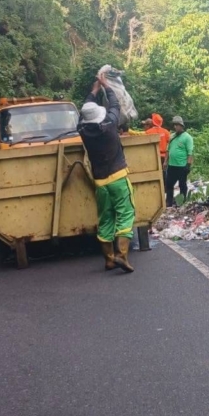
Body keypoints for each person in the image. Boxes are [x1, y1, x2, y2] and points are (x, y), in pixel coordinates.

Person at [78, 74, 136, 273]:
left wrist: (93, 92)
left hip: (100, 183)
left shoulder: (83, 130)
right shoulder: (109, 126)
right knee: (126, 215)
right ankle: (122, 255)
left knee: (105, 219)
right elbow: (115, 106)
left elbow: (83, 111)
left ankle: (109, 259)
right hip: (118, 178)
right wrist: (106, 86)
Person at [164, 116, 194, 207]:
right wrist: (165, 161)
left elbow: (190, 153)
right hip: (171, 165)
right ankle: (169, 202)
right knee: (169, 185)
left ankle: (182, 202)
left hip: (181, 166)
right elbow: (168, 150)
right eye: (174, 125)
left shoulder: (187, 137)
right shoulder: (172, 136)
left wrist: (188, 165)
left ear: (181, 125)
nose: (175, 127)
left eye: (177, 125)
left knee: (182, 185)